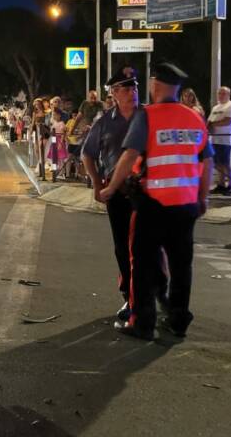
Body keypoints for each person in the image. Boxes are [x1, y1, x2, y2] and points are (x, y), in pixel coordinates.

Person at [100, 62, 213, 340]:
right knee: (181, 265)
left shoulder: (148, 116)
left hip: (153, 203)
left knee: (142, 263)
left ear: (156, 85)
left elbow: (129, 156)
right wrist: (202, 197)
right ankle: (178, 319)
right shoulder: (194, 118)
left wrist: (112, 187)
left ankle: (142, 322)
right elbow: (206, 161)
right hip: (186, 205)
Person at [82, 70, 166, 325]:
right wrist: (97, 184)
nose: (132, 92)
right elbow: (88, 154)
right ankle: (130, 297)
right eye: (125, 88)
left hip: (149, 190)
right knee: (124, 248)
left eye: (135, 87)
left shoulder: (149, 115)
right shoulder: (105, 121)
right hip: (118, 192)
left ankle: (159, 294)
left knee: (154, 246)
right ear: (114, 93)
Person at [207, 87, 231, 196]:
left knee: (225, 163)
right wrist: (208, 126)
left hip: (225, 139)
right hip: (214, 139)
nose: (220, 95)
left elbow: (228, 121)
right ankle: (221, 185)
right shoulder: (216, 107)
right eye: (219, 93)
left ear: (228, 94)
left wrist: (212, 124)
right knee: (217, 163)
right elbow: (209, 121)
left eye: (223, 93)